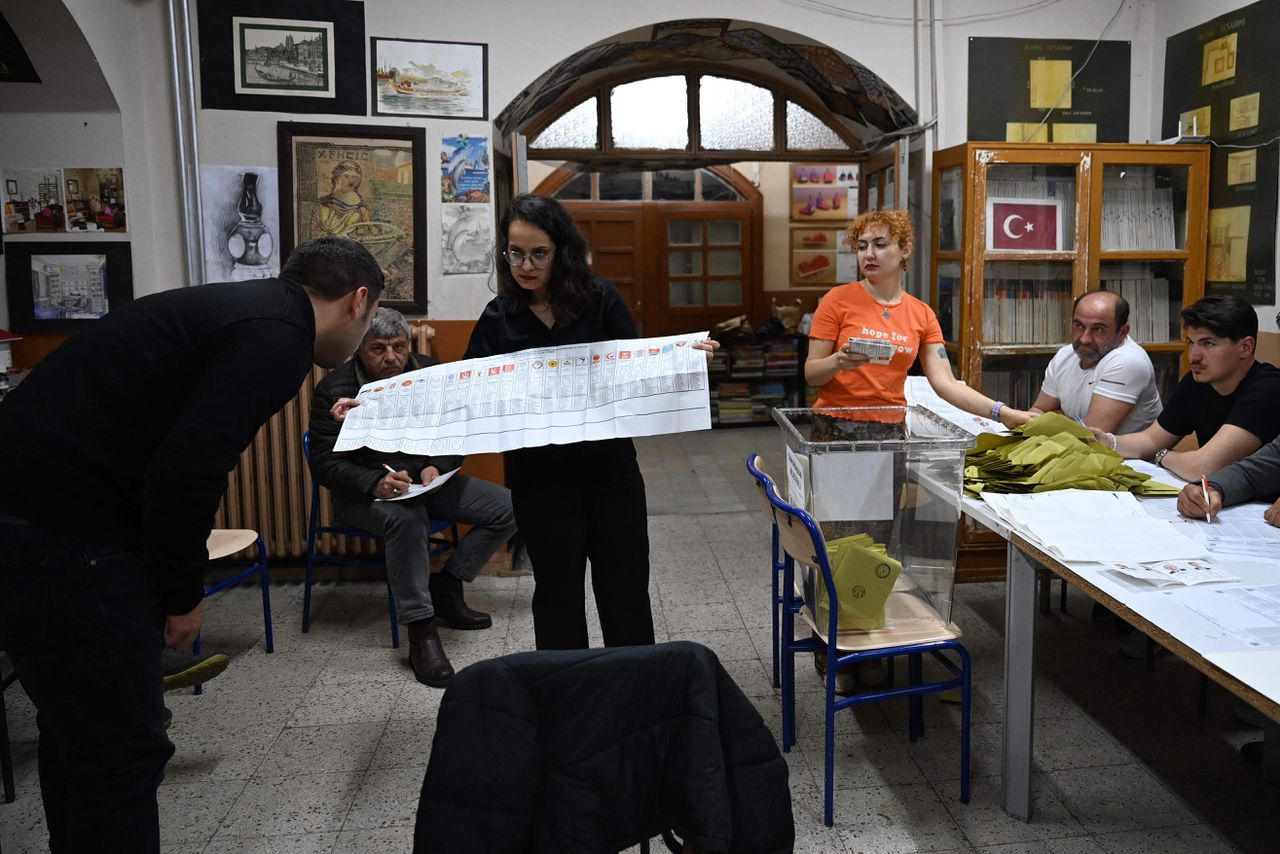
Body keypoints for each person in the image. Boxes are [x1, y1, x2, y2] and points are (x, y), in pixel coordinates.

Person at [0, 236, 383, 853]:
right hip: (65, 538)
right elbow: (189, 469)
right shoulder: (279, 337)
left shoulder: (246, 307)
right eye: (369, 326)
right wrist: (182, 594)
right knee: (121, 753)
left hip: (36, 519)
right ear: (358, 301)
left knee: (79, 735)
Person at [461, 193, 716, 650]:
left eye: (539, 253)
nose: (526, 264)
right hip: (540, 479)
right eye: (515, 252)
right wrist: (376, 407)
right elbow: (463, 391)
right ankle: (568, 694)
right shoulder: (498, 317)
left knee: (625, 591)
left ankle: (633, 692)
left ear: (561, 251)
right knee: (556, 595)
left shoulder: (599, 299)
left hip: (609, 473)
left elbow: (635, 364)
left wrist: (683, 359)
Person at [309, 307, 516, 687]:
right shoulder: (334, 391)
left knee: (509, 508)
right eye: (378, 349)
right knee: (407, 519)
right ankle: (422, 630)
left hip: (428, 482)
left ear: (409, 345)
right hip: (365, 494)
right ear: (359, 350)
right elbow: (324, 464)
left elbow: (455, 433)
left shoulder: (429, 374)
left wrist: (435, 466)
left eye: (398, 346)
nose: (391, 357)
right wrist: (375, 483)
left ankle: (448, 586)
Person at [805, 209, 1033, 427]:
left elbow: (946, 384)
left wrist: (1002, 413)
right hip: (836, 423)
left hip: (891, 426)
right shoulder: (837, 299)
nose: (869, 254)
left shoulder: (921, 313)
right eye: (862, 247)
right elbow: (811, 374)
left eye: (880, 245)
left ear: (905, 250)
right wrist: (837, 362)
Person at [1093, 294, 1280, 483]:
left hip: (1263, 506)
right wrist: (1107, 441)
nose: (1194, 356)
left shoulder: (1269, 389)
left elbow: (1202, 467)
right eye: (1191, 342)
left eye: (1208, 343)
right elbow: (1151, 440)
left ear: (1246, 347)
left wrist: (1162, 455)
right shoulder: (1197, 381)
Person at [1027, 290, 1162, 432]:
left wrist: (1055, 417)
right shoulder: (1065, 355)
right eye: (1078, 326)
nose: (1084, 339)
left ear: (1123, 332)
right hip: (1075, 450)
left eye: (1098, 329)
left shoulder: (1128, 361)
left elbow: (1090, 435)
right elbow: (1038, 411)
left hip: (1125, 454)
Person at [312, 158, 372, 238]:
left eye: (354, 177)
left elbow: (366, 235)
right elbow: (314, 233)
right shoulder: (323, 205)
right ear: (336, 178)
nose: (351, 181)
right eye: (346, 176)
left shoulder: (362, 210)